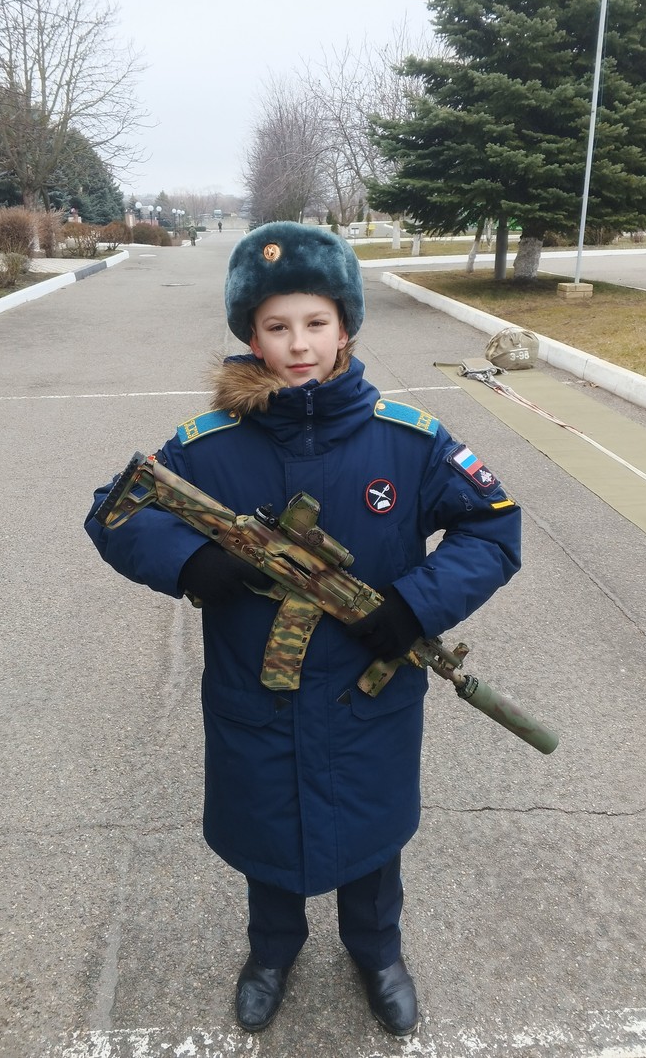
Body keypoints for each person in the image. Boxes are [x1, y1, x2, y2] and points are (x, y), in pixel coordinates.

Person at [84, 222, 521, 1037]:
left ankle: (377, 952)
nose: (298, 344)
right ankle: (271, 952)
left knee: (373, 837)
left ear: (345, 326)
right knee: (268, 834)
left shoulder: (409, 441)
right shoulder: (209, 448)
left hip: (369, 700)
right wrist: (192, 563)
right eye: (276, 326)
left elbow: (492, 529)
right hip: (258, 695)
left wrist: (415, 606)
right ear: (251, 335)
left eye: (316, 322)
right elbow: (115, 512)